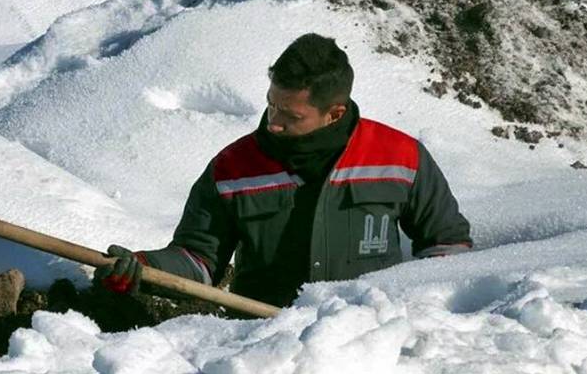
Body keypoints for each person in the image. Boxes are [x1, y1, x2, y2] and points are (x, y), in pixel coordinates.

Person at [94, 33, 472, 308]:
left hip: (368, 349)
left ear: (334, 113)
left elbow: (447, 247)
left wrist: (419, 314)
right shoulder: (233, 168)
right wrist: (146, 267)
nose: (273, 122)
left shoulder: (400, 157)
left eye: (290, 115)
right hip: (260, 348)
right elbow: (198, 261)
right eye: (271, 105)